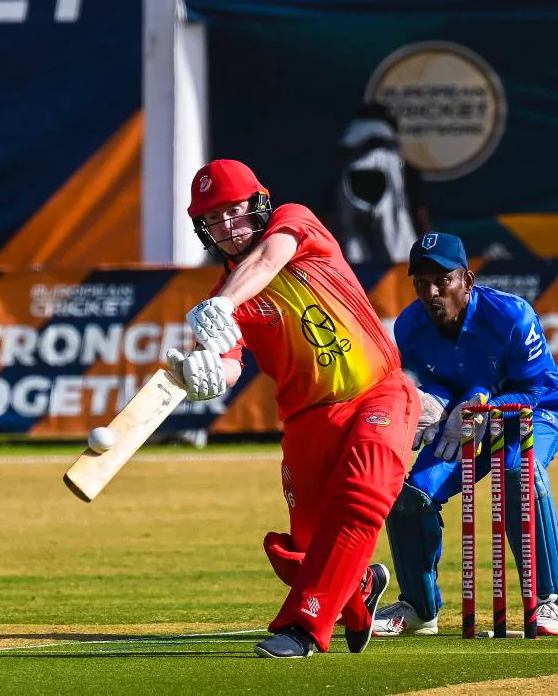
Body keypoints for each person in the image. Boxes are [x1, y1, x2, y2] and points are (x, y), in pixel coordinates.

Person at [165, 159, 421, 658]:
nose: (228, 229)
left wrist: (222, 303)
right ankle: (358, 589)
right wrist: (208, 378)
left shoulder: (295, 222)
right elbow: (230, 364)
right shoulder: (222, 300)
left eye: (235, 213)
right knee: (305, 548)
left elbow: (264, 262)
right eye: (213, 221)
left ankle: (303, 629)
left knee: (362, 496)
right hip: (307, 422)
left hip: (380, 392)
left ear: (259, 204)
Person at [372, 232, 558, 637]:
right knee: (412, 496)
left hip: (535, 414)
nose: (431, 292)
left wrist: (481, 403)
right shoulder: (410, 326)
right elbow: (437, 382)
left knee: (519, 472)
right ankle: (419, 607)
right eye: (421, 282)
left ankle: (549, 602)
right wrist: (433, 403)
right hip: (461, 423)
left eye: (442, 280)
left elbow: (537, 389)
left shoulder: (511, 315)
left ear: (467, 279)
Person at [328, 102, 430, 264]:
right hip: (387, 253)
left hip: (373, 251)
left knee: (360, 246)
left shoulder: (345, 161)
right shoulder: (396, 161)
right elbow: (419, 210)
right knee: (368, 244)